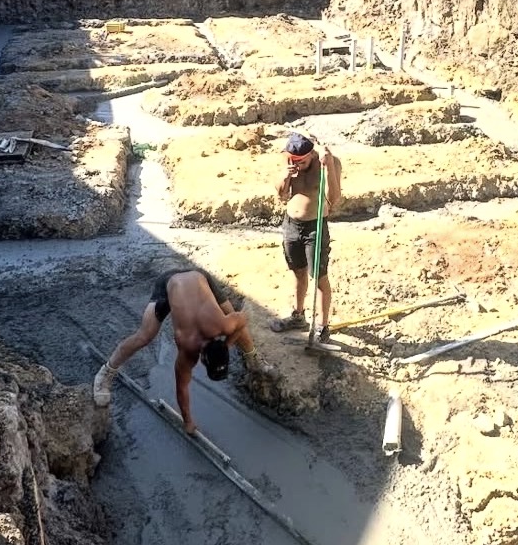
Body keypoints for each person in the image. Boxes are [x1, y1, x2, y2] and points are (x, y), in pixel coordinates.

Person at [92, 268, 257, 436]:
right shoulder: (188, 348)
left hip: (199, 276)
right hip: (170, 282)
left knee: (232, 314)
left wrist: (227, 345)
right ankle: (106, 372)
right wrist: (188, 422)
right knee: (144, 336)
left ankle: (253, 358)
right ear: (202, 358)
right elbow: (181, 387)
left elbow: (243, 319)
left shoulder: (225, 324)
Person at [271, 132, 341, 341]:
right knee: (297, 272)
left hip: (315, 226)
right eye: (293, 161)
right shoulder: (288, 160)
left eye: (301, 162)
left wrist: (329, 167)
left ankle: (322, 326)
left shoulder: (327, 162)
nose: (297, 165)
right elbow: (281, 195)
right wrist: (285, 176)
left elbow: (334, 198)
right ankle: (298, 315)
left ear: (311, 155)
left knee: (319, 277)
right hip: (291, 225)